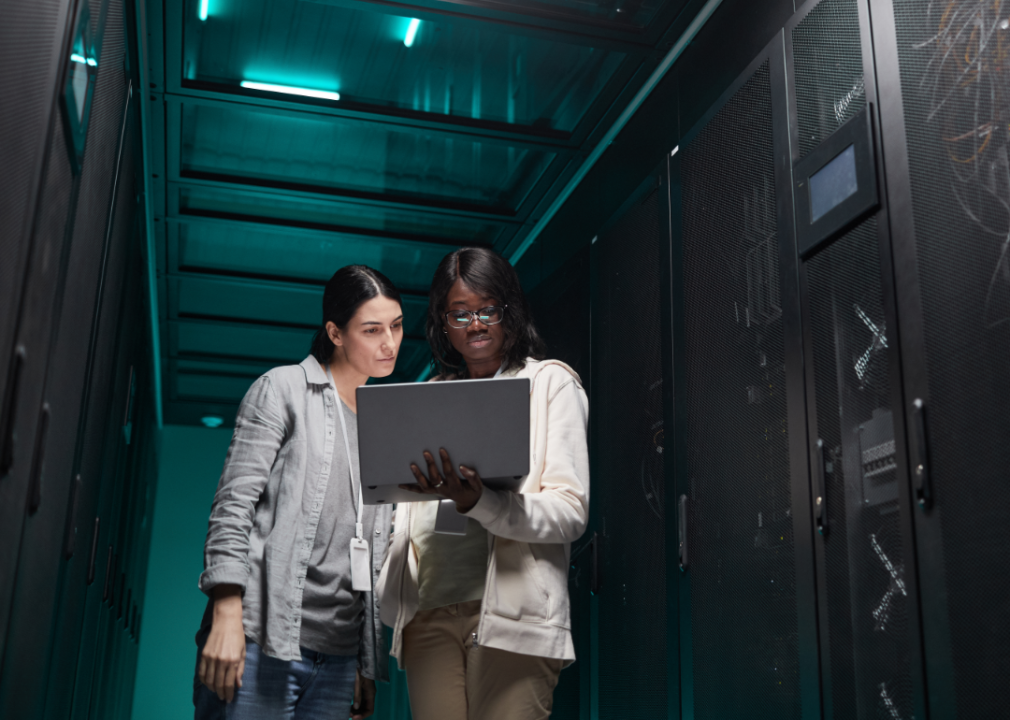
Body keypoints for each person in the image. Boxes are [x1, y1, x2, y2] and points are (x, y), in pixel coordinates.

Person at [376, 248, 590, 720]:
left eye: (488, 309)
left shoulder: (550, 384)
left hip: (514, 621)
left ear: (510, 310)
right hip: (427, 616)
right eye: (460, 313)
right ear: (443, 323)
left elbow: (570, 511)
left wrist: (480, 502)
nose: (475, 324)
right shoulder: (429, 396)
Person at [193, 265, 403, 720]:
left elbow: (374, 553)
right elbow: (233, 506)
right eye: (372, 330)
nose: (389, 343)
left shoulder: (385, 424)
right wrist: (227, 616)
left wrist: (365, 663)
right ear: (336, 332)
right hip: (262, 638)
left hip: (338, 657)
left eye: (396, 325)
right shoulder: (283, 389)